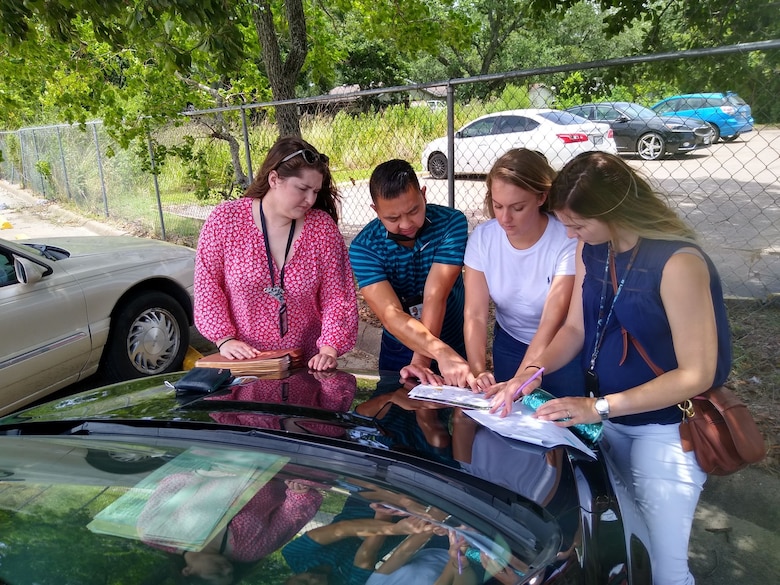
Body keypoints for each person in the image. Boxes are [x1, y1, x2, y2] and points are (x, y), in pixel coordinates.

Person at [488, 152, 732, 585]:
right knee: (622, 549)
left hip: (665, 429)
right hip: (607, 422)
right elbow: (576, 329)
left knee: (664, 567)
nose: (568, 233)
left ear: (612, 211)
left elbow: (697, 374)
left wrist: (598, 407)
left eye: (577, 224)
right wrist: (530, 373)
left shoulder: (678, 263)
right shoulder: (592, 247)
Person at [194, 137, 358, 371]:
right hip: (244, 365)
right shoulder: (225, 221)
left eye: (315, 191)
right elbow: (208, 286)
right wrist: (224, 339)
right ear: (274, 179)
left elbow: (337, 297)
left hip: (306, 366)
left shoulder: (322, 229)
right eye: (302, 189)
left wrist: (329, 350)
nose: (310, 200)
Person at [463, 148, 584, 398]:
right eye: (498, 206)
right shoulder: (484, 238)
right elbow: (475, 313)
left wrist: (521, 378)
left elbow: (550, 324)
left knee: (559, 426)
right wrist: (478, 372)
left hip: (561, 349)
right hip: (509, 342)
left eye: (517, 207)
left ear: (542, 197)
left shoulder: (567, 239)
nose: (505, 218)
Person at [348, 159, 472, 387]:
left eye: (414, 210)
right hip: (400, 347)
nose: (406, 224)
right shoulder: (364, 247)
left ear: (423, 195)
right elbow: (390, 314)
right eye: (392, 218)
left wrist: (426, 358)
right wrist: (432, 354)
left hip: (452, 343)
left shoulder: (451, 223)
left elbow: (436, 295)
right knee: (397, 413)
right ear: (376, 211)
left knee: (452, 416)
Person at [139, 472, 323, 585]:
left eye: (217, 573)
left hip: (228, 450)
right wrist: (298, 494)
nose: (227, 570)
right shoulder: (252, 550)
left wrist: (202, 472)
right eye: (229, 575)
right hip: (282, 470)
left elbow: (169, 486)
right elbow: (291, 516)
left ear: (187, 571)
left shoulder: (154, 533)